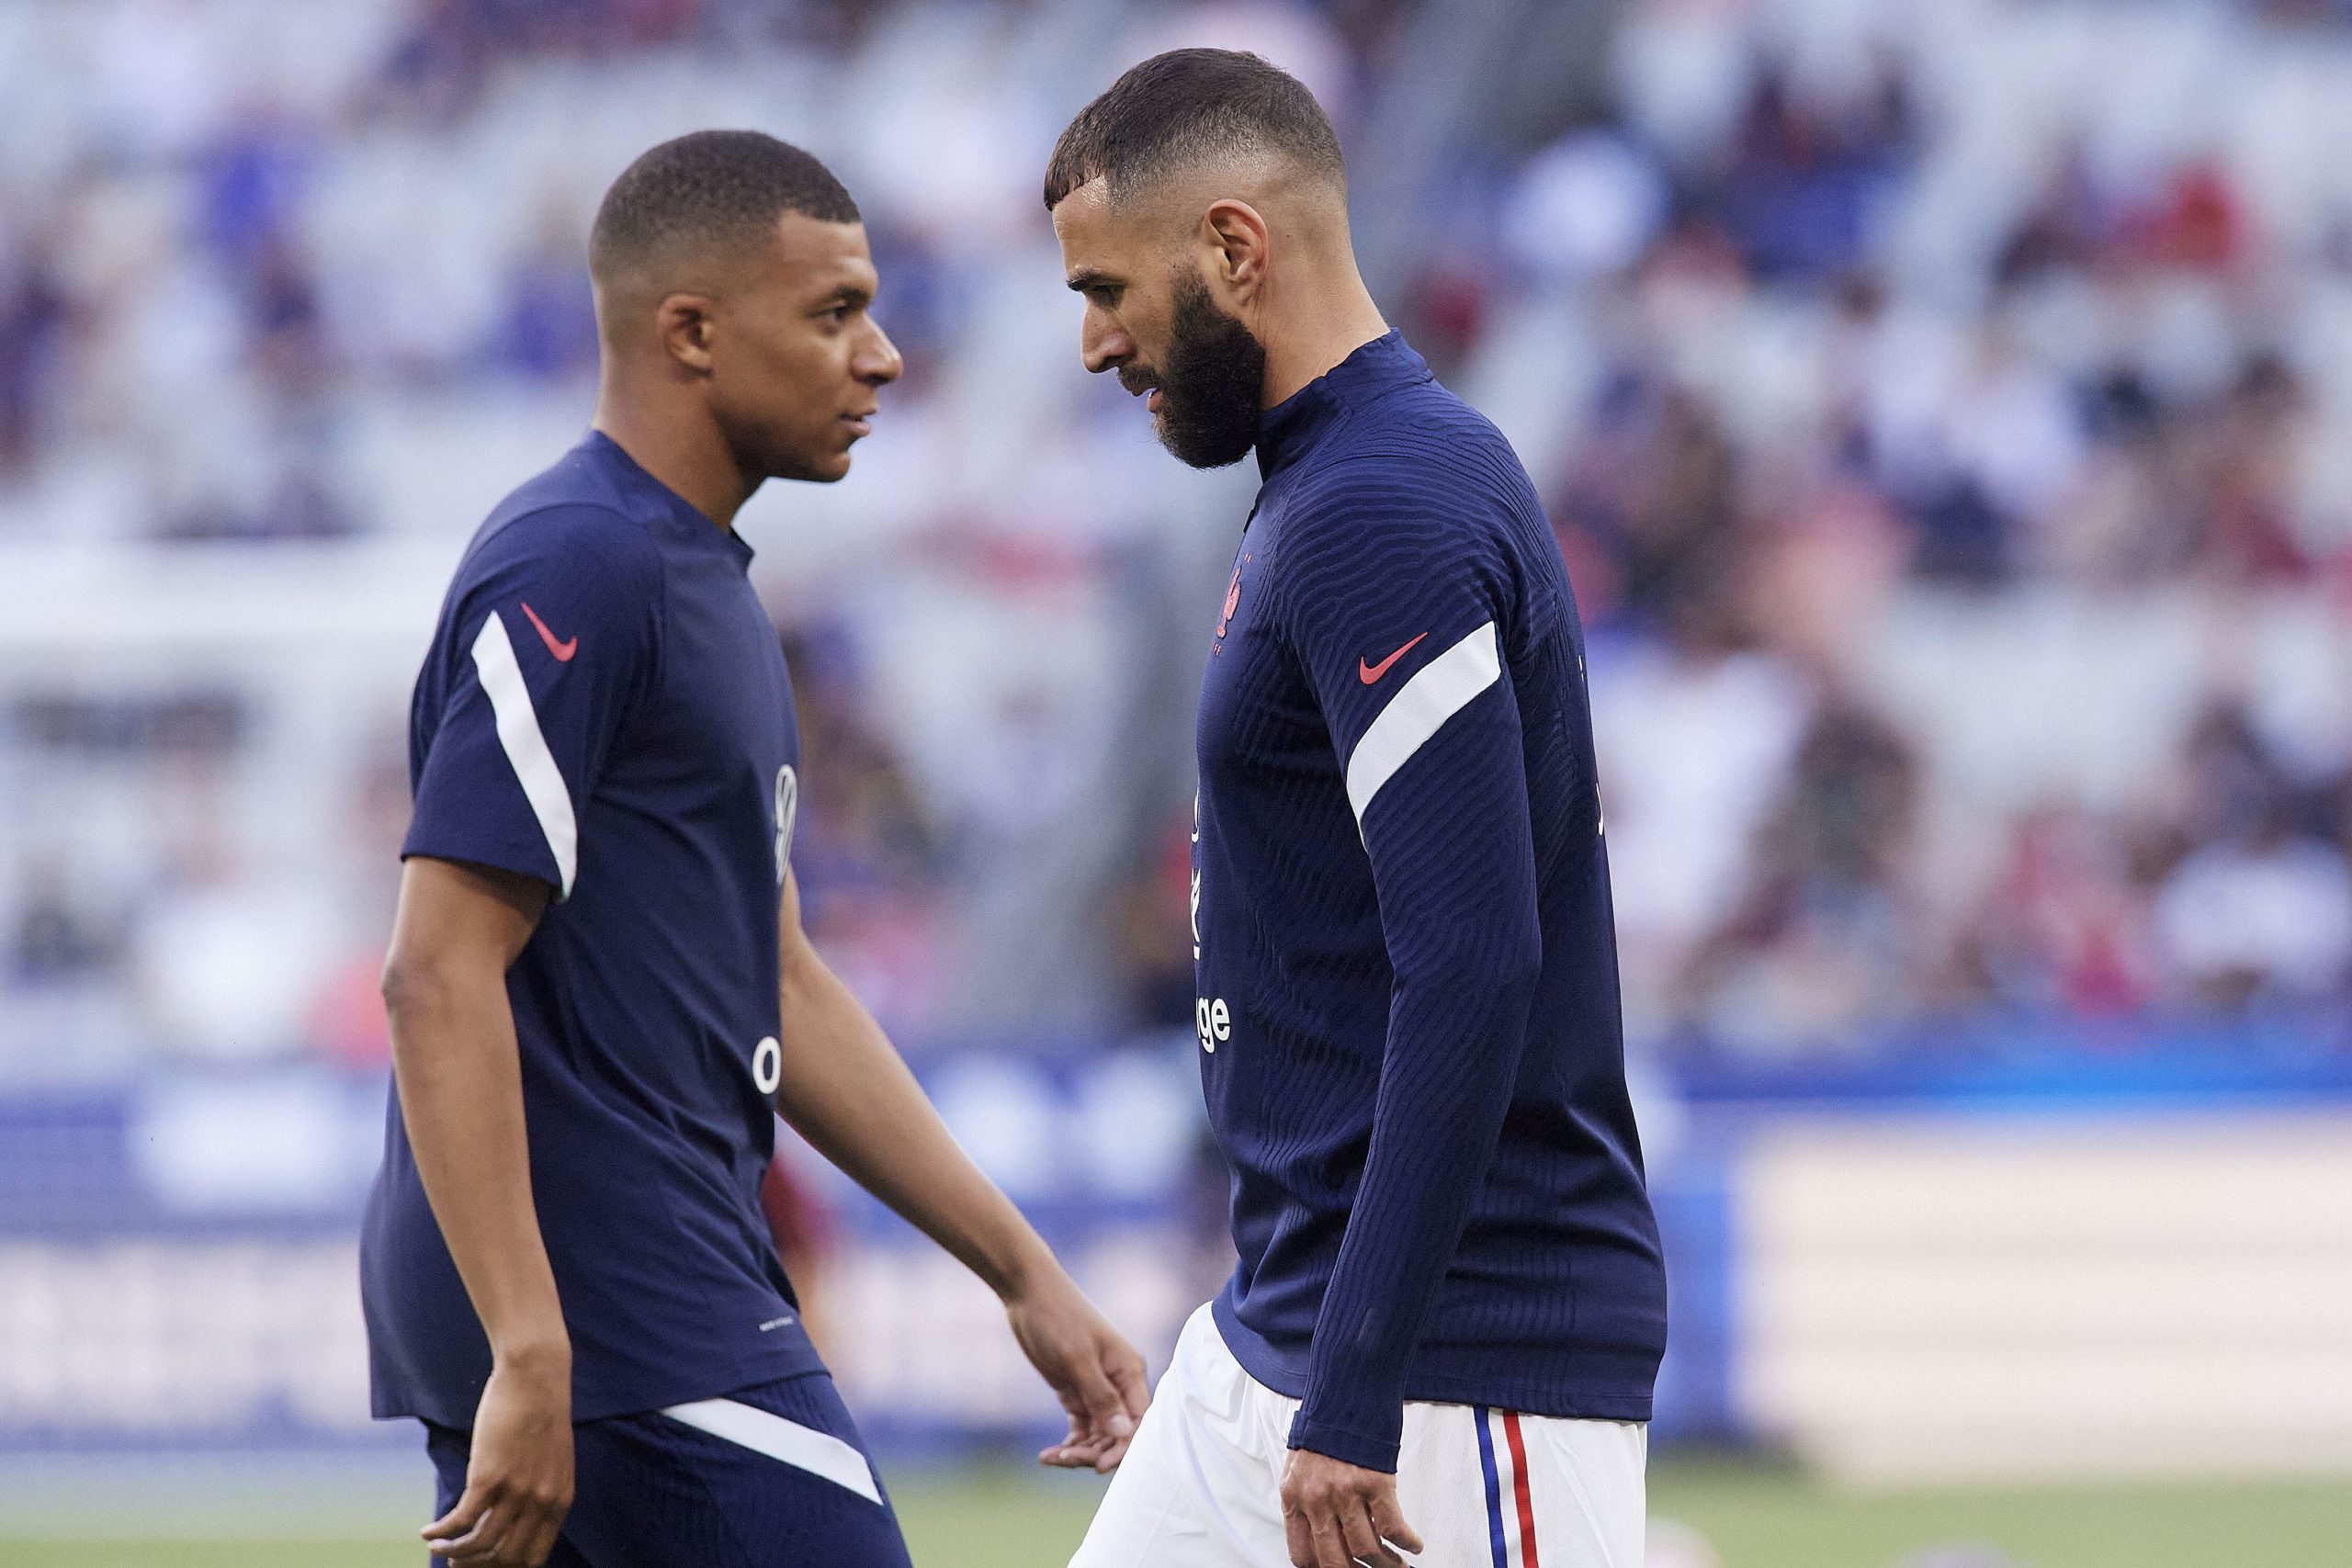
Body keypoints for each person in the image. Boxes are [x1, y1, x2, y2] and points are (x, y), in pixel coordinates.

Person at [360, 130, 1148, 1568]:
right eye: (836, 312)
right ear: (692, 335)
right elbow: (434, 970)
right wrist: (531, 1342)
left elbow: (775, 979)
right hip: (616, 1304)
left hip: (618, 1301)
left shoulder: (700, 583)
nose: (883, 357)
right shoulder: (579, 563)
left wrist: (1020, 1271)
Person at [1045, 51, 1668, 1568]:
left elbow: (1474, 965)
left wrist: (1360, 1387)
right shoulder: (1335, 483)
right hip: (1279, 1329)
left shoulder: (1381, 507)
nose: (1093, 342)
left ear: (1234, 248)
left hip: (1454, 1368)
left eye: (1109, 289)